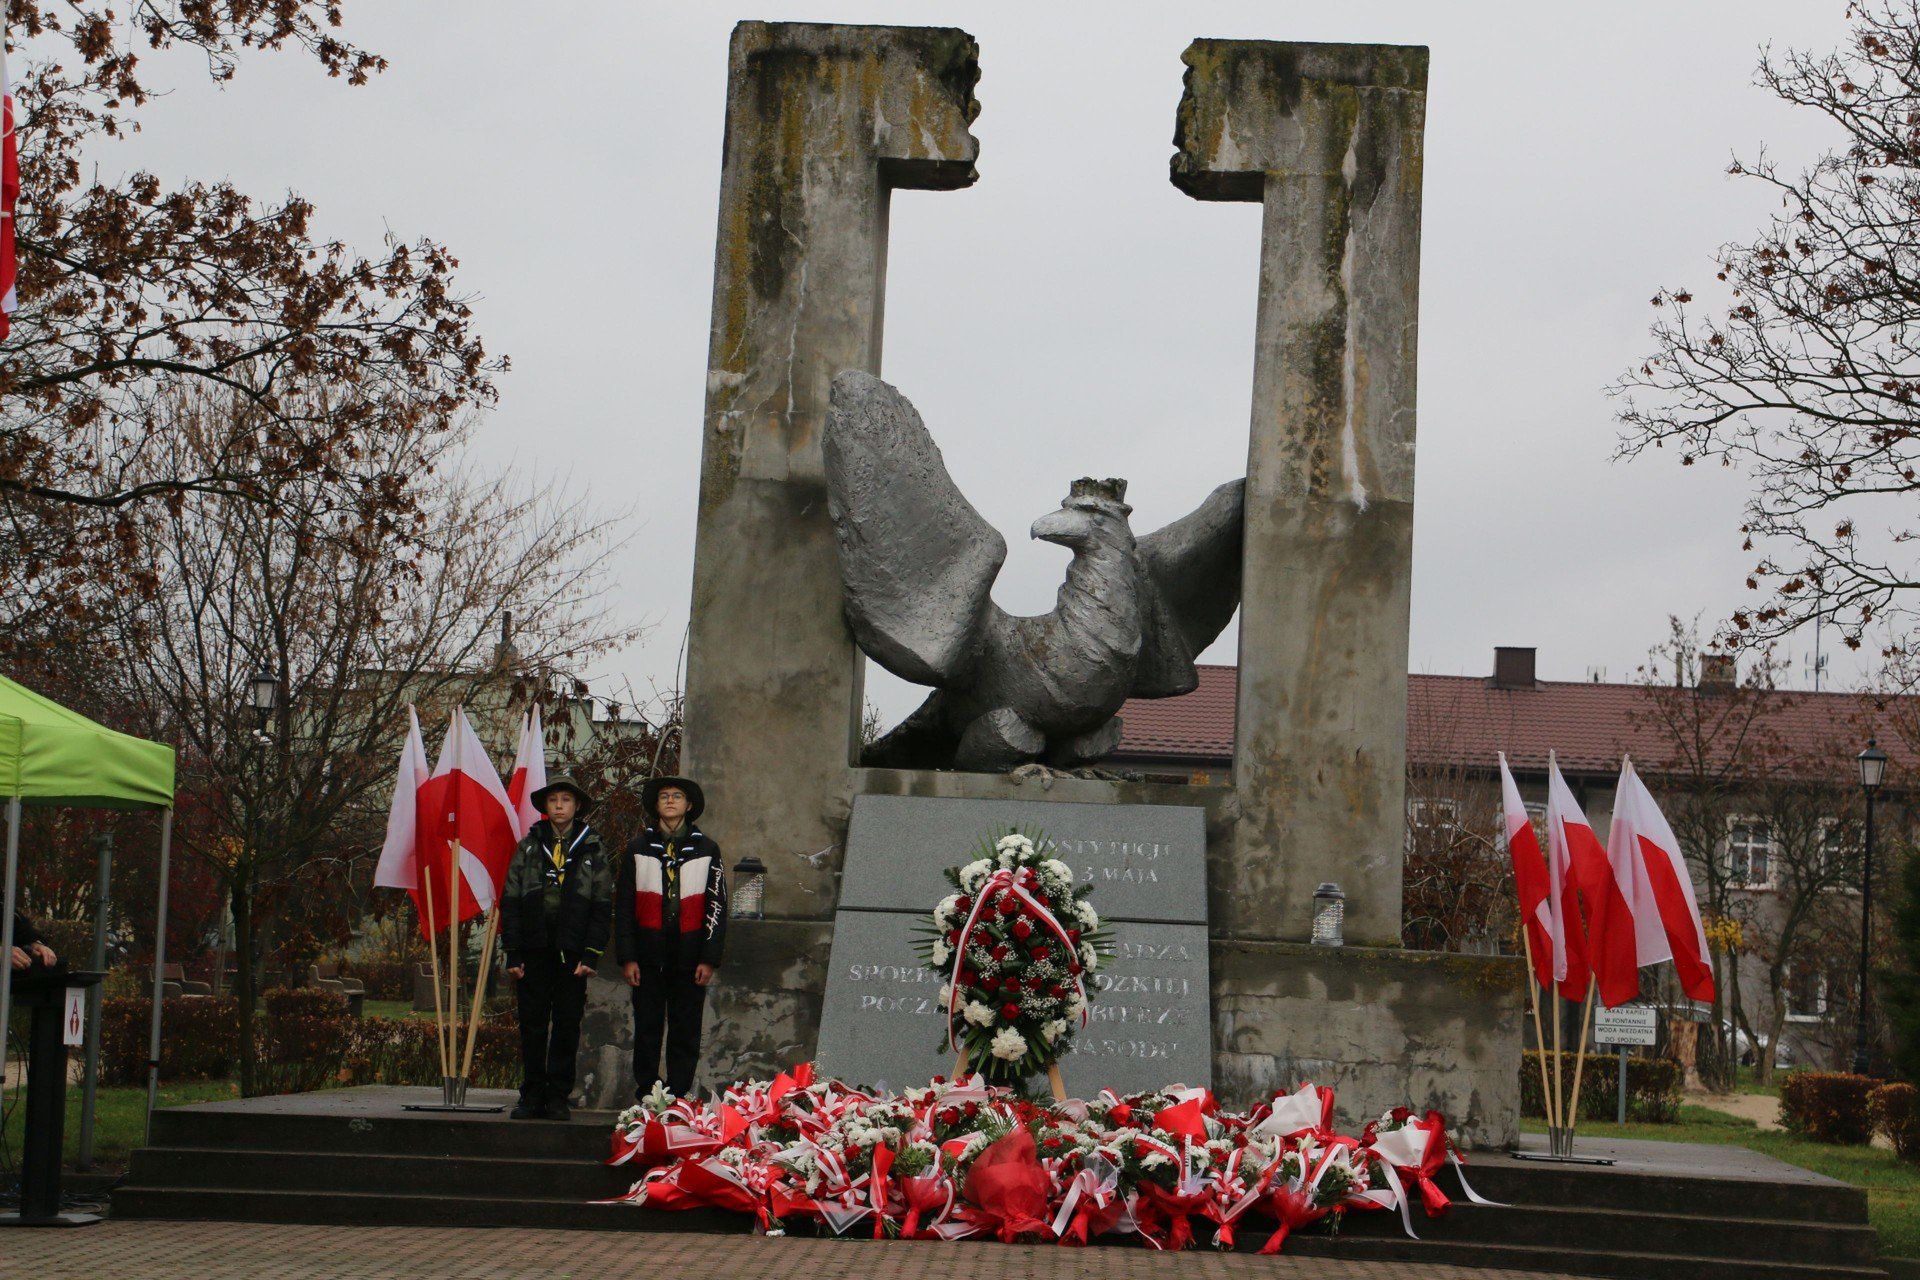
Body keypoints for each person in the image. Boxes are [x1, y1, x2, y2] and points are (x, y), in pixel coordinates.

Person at [500, 775, 611, 1121]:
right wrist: (513, 952)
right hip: (534, 949)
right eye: (553, 801)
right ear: (546, 808)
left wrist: (591, 953)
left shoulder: (593, 847)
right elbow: (512, 900)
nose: (560, 805)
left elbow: (602, 904)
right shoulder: (529, 847)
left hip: (573, 952)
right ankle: (532, 1094)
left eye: (566, 800)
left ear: (577, 806)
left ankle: (558, 1096)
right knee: (532, 1023)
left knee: (566, 1022)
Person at [615, 775, 727, 1100]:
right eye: (664, 795)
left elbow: (717, 905)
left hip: (690, 954)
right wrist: (628, 956)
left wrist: (709, 957)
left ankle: (679, 1095)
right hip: (648, 954)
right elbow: (624, 906)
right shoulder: (638, 848)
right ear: (655, 804)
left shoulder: (707, 848)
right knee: (648, 1027)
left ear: (688, 805)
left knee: (685, 1029)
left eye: (677, 796)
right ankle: (648, 1092)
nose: (669, 800)